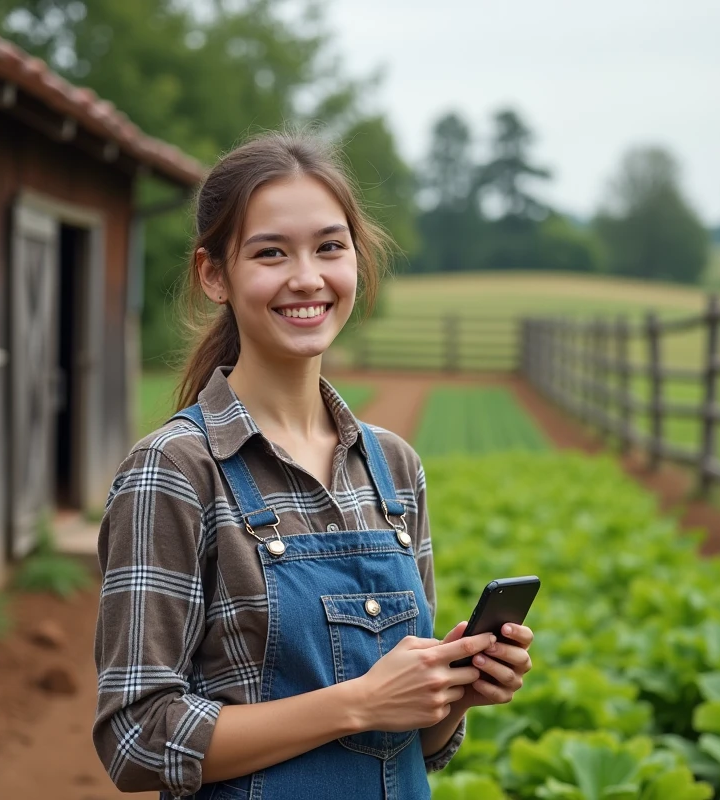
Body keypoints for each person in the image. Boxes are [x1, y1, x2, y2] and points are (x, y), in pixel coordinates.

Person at [92, 130, 535, 799]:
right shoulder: (176, 471)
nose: (307, 277)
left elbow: (414, 745)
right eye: (271, 253)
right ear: (214, 275)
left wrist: (452, 695)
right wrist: (359, 702)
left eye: (330, 247)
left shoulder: (394, 467)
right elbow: (136, 738)